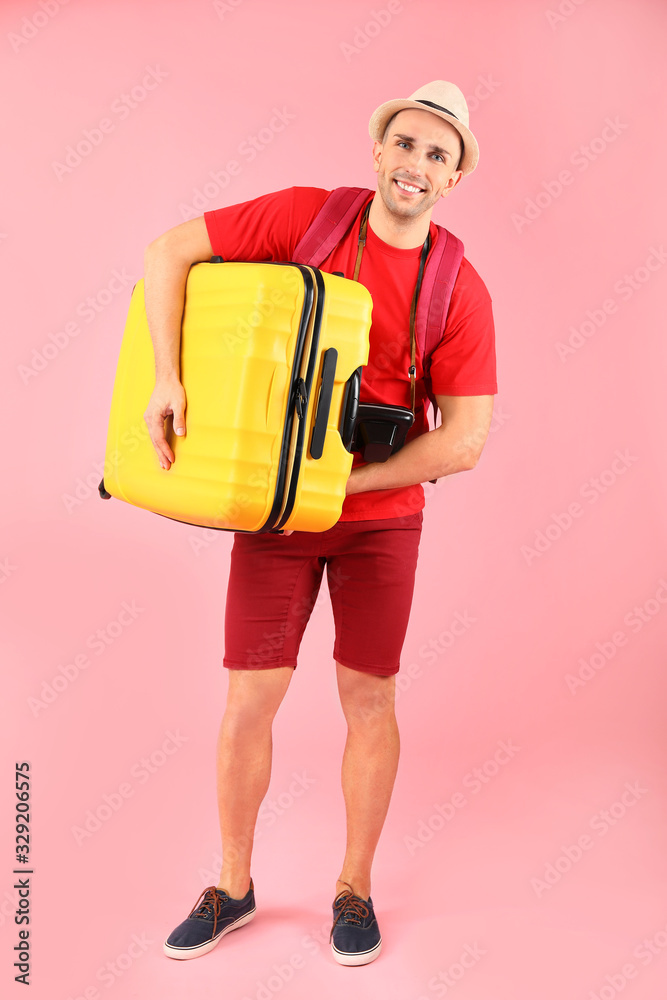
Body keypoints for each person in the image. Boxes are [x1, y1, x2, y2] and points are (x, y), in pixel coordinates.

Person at [143, 81, 497, 967]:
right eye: (406, 145)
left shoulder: (458, 285)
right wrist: (166, 376)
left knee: (368, 698)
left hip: (379, 522)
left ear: (453, 179)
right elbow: (169, 252)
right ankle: (231, 884)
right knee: (247, 700)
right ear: (380, 152)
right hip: (273, 510)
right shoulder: (304, 220)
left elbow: (466, 439)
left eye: (437, 155)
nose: (416, 165)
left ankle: (354, 890)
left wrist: (351, 481)